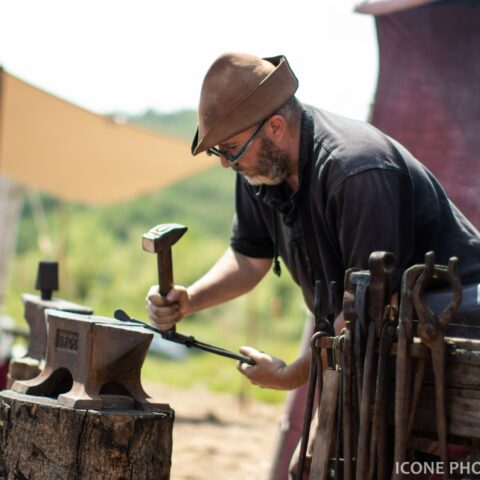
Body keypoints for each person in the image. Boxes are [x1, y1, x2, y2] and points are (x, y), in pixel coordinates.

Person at [147, 51, 480, 388]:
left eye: (230, 148)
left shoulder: (355, 171)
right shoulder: (258, 166)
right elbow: (249, 259)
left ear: (275, 127)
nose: (225, 162)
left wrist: (290, 375)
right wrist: (190, 299)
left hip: (454, 323)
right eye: (219, 151)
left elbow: (374, 305)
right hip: (367, 333)